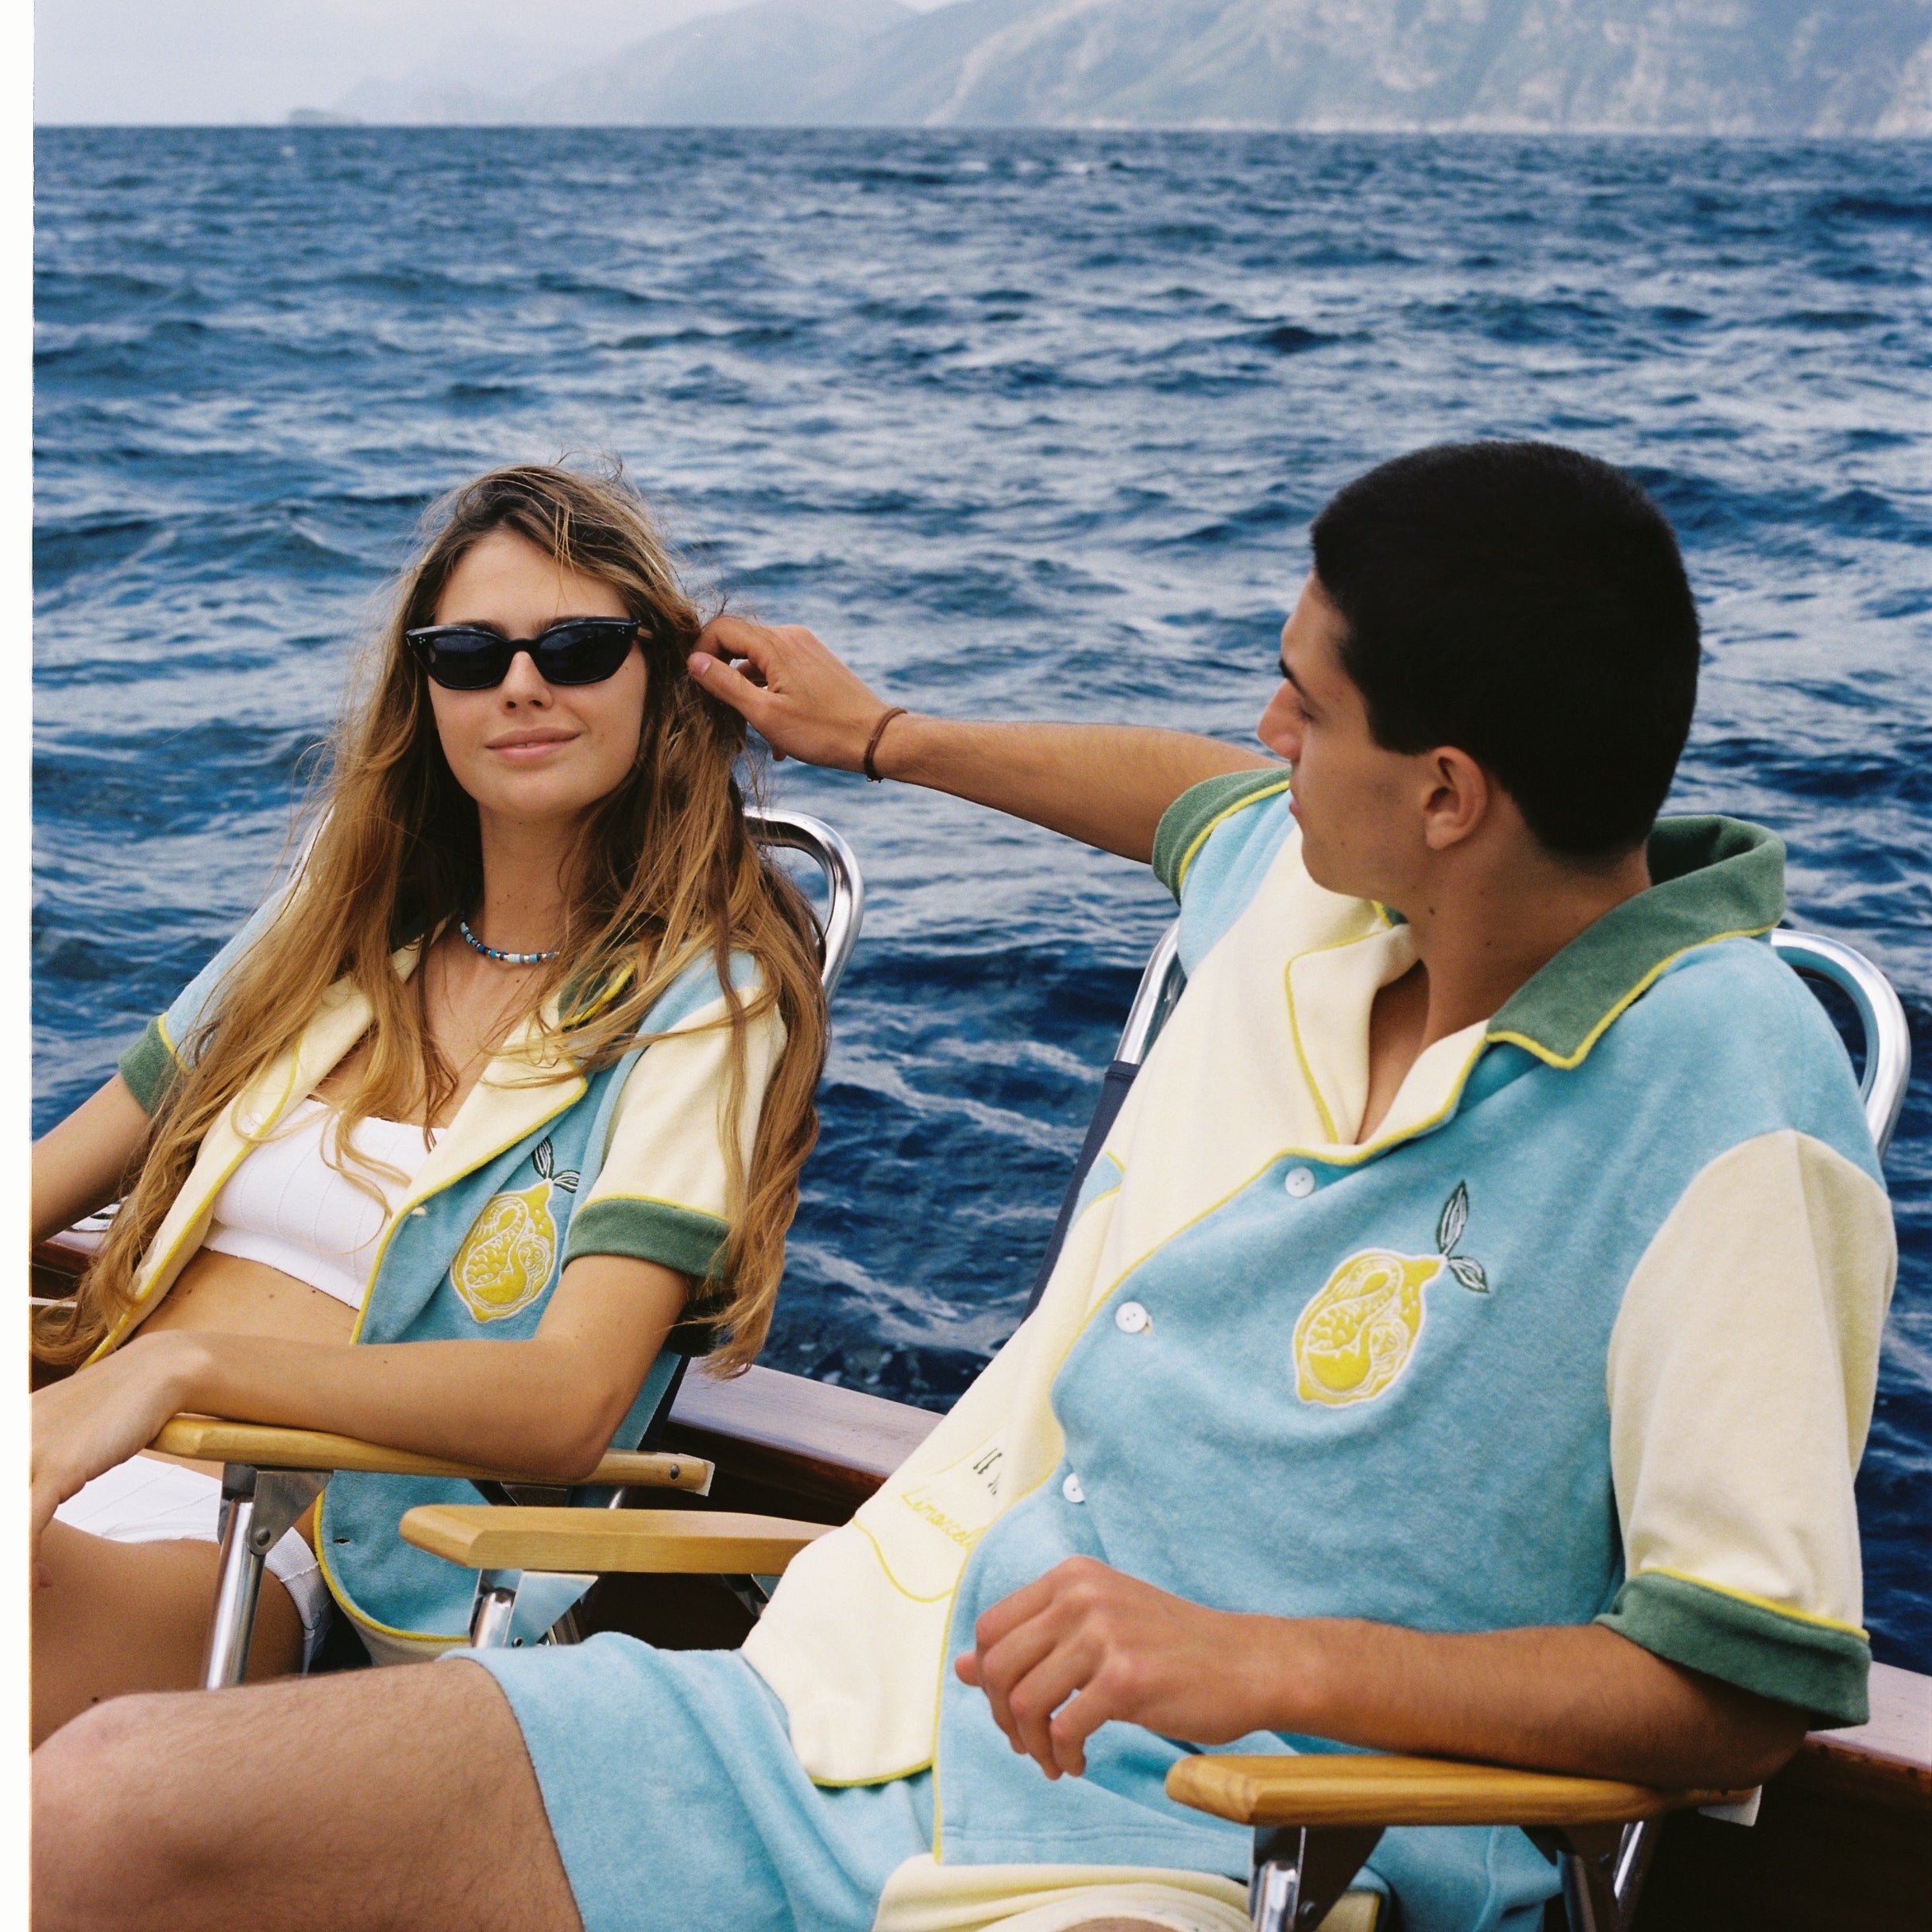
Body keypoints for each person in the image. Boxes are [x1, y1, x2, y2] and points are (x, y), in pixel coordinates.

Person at [33, 442, 1895, 1932]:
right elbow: (1182, 800)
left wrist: (1271, 1661)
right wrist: (881, 740)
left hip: (1191, 1847)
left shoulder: (1729, 1092)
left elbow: (1741, 1679)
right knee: (102, 1818)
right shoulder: (1311, 890)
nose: (1260, 737)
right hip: (816, 1714)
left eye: (1301, 707)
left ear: (1448, 794)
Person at [29, 462, 827, 1744]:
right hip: (60, 1443)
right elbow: (46, 1185)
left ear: (656, 680)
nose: (523, 683)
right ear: (427, 690)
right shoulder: (320, 936)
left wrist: (182, 1366)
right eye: (470, 654)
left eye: (576, 646)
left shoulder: (700, 1007)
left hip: (243, 1534)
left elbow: (567, 1404)